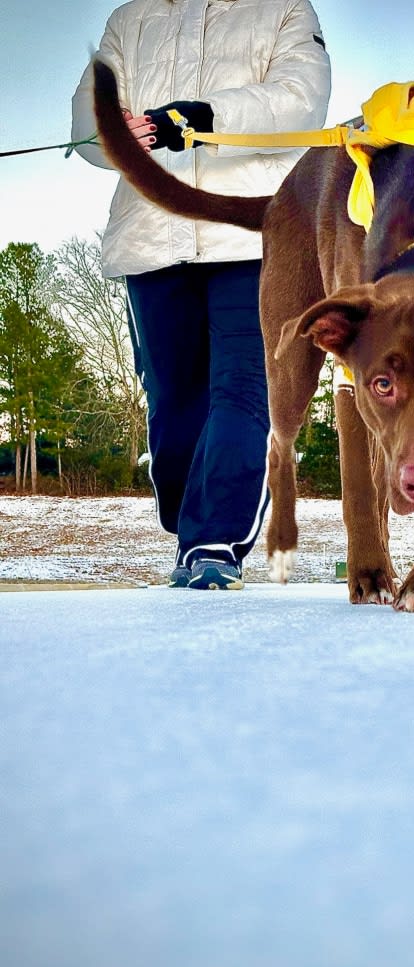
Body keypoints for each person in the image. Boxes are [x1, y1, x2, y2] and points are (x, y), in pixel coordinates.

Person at [72, 0, 331, 589]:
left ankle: (214, 543)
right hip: (150, 237)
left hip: (254, 235)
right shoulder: (130, 19)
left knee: (243, 389)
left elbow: (300, 97)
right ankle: (187, 512)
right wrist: (116, 135)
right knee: (172, 399)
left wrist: (196, 119)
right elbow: (87, 123)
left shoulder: (285, 10)